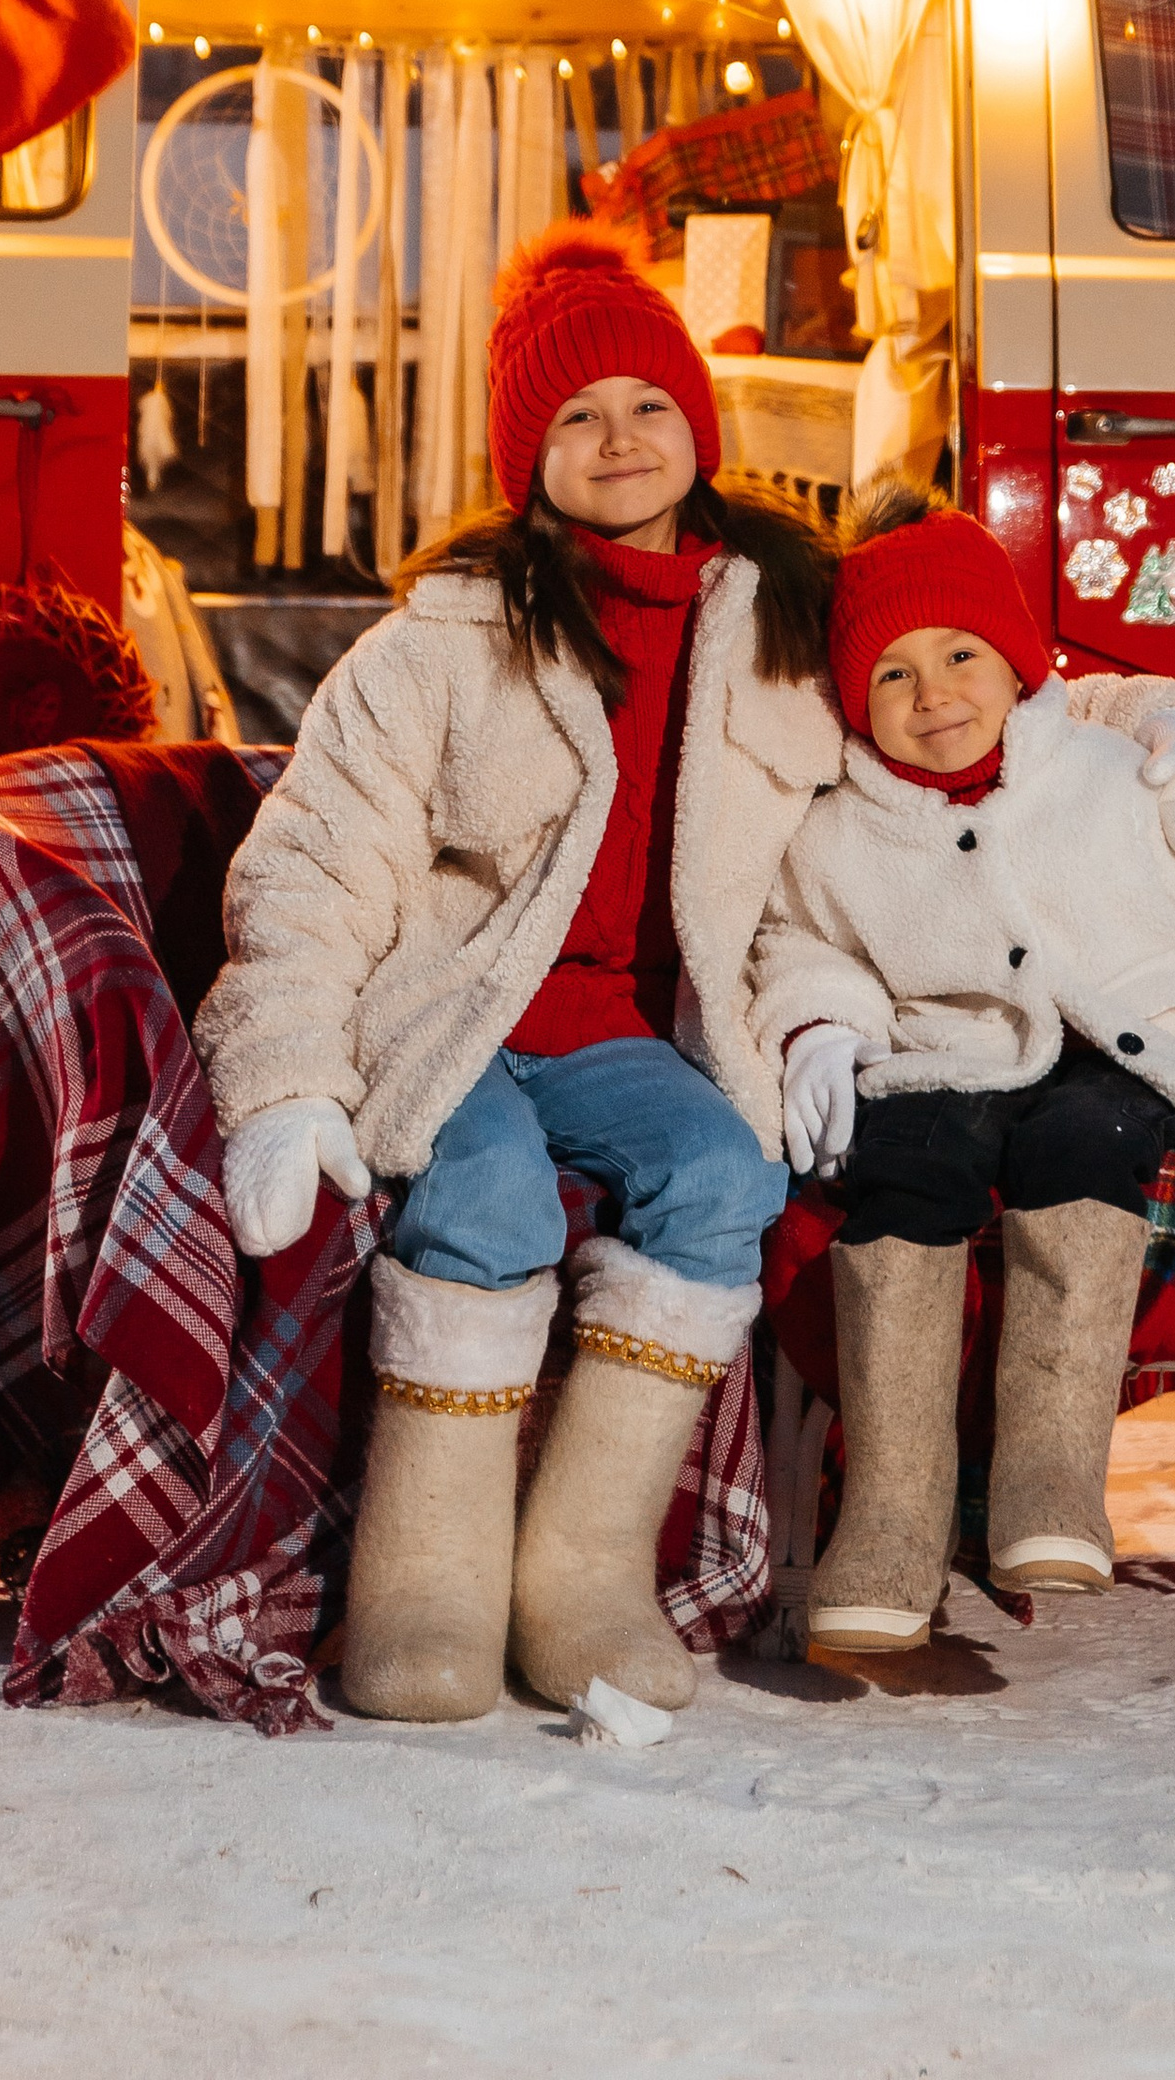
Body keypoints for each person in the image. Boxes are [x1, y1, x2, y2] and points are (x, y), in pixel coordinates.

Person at [197, 220, 844, 1726]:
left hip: (627, 1029)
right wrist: (285, 1080)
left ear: (699, 428)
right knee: (481, 1198)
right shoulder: (442, 645)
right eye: (575, 417)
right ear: (525, 458)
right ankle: (422, 1585)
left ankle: (584, 1571)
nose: (618, 441)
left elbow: (932, 716)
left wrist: (1131, 731)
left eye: (647, 407)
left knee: (725, 1181)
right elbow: (316, 865)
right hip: (453, 1012)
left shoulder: (774, 625)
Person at [749, 484, 1175, 1658]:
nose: (933, 694)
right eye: (891, 674)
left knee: (1081, 1135)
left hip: (1139, 1054)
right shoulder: (843, 827)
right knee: (904, 1167)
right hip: (952, 1060)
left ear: (1017, 664)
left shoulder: (1116, 775)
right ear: (854, 701)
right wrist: (823, 1027)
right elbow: (801, 939)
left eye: (959, 655)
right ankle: (895, 1517)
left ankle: (1051, 1477)